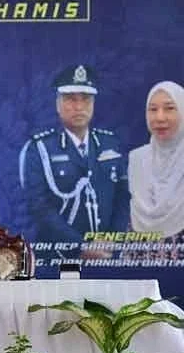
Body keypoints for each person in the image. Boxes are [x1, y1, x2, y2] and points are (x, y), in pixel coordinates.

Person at [19, 65, 130, 253]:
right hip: (57, 256)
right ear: (58, 104)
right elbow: (39, 207)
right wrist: (82, 246)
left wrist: (111, 241)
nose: (79, 107)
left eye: (86, 99)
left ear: (93, 103)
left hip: (106, 255)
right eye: (70, 99)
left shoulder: (110, 144)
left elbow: (122, 197)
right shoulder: (39, 149)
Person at [128, 81, 184, 248]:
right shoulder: (137, 158)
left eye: (169, 108)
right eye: (153, 110)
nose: (160, 118)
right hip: (139, 255)